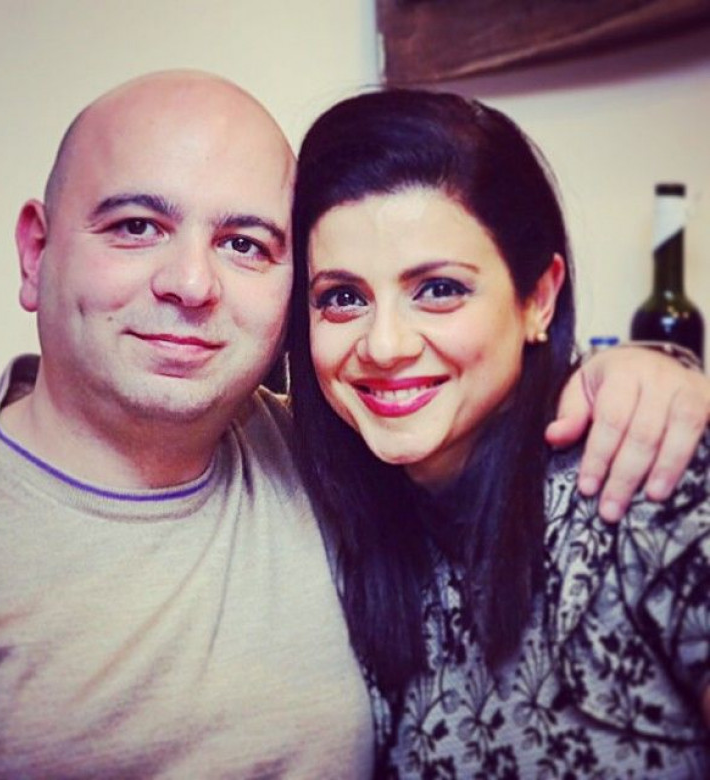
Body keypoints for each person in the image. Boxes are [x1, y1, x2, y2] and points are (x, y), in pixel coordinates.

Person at [0, 70, 706, 777]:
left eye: (243, 244)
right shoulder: (351, 473)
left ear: (539, 297)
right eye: (136, 226)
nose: (192, 283)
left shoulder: (641, 476)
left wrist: (654, 370)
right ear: (35, 253)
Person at [288, 88, 709, 778]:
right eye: (343, 297)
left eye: (439, 289)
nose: (384, 345)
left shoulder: (644, 475)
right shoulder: (329, 514)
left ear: (538, 298)